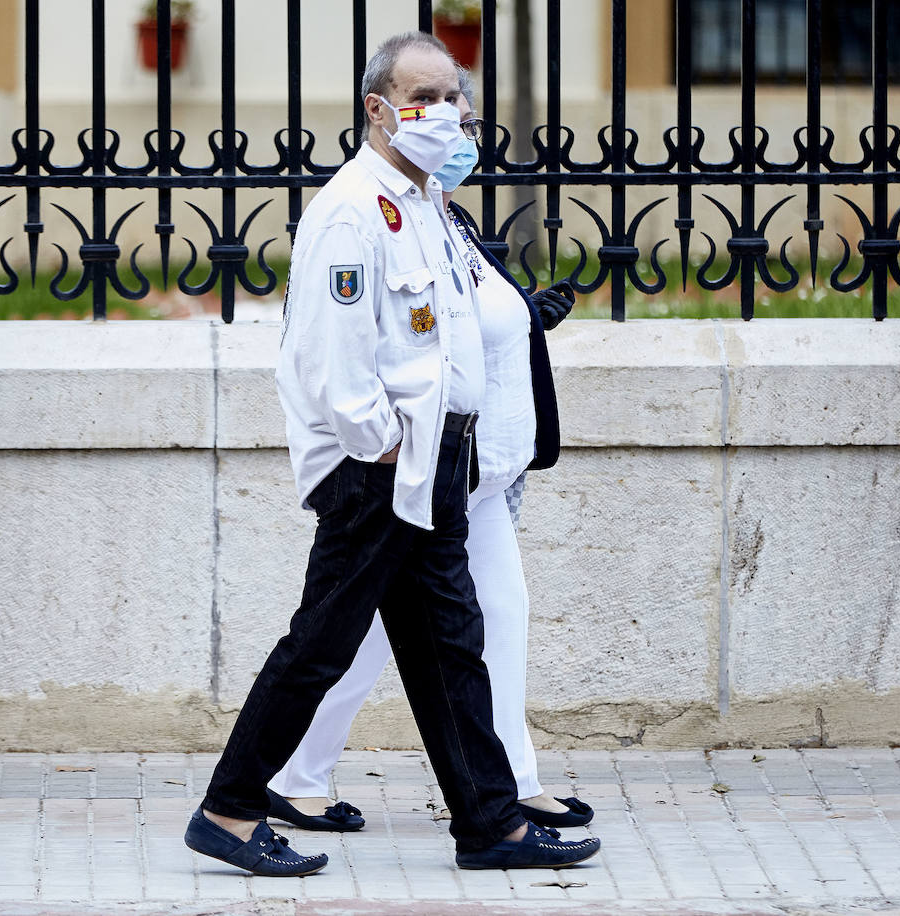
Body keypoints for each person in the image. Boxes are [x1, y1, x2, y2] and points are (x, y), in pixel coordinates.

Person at [182, 31, 601, 877]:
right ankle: (229, 810)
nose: (445, 114)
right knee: (322, 644)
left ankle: (490, 824)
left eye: (454, 98)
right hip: (377, 471)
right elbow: (331, 365)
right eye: (424, 98)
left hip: (433, 464)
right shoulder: (349, 213)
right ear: (377, 109)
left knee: (451, 642)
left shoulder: (423, 206)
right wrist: (385, 452)